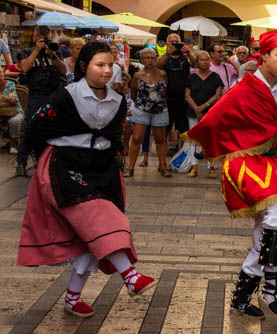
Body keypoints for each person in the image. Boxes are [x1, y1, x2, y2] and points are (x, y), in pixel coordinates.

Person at [17, 41, 156, 319]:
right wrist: (41, 163)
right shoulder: (65, 96)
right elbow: (34, 129)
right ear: (84, 66)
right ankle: (130, 276)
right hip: (66, 168)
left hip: (102, 169)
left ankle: (72, 298)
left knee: (90, 239)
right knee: (102, 219)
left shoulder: (118, 101)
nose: (106, 71)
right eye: (99, 65)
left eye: (110, 65)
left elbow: (115, 137)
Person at [185, 30, 277, 320]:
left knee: (262, 234)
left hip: (270, 161)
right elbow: (216, 116)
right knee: (276, 211)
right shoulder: (245, 86)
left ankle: (240, 298)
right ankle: (272, 282)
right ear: (263, 57)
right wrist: (206, 143)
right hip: (244, 162)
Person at [16, 26, 66, 177]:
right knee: (31, 128)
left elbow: (64, 70)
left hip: (53, 95)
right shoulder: (27, 52)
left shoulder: (54, 51)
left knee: (50, 129)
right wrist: (36, 51)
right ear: (35, 37)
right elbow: (24, 67)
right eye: (41, 36)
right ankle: (21, 162)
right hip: (36, 95)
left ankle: (43, 162)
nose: (44, 39)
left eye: (47, 36)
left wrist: (53, 56)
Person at [125, 48, 171, 177]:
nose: (150, 60)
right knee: (137, 138)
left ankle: (163, 166)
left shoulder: (162, 74)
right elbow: (133, 93)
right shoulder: (137, 75)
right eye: (147, 58)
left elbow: (165, 91)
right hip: (142, 109)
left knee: (160, 139)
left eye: (152, 57)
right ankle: (130, 167)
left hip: (160, 109)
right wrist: (141, 103)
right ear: (142, 60)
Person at [184, 51, 224, 178]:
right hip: (193, 112)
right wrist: (196, 109)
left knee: (210, 139)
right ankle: (194, 167)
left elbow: (218, 95)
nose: (205, 62)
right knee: (193, 139)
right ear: (197, 62)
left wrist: (204, 106)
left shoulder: (216, 77)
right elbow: (187, 96)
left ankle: (211, 166)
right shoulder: (191, 77)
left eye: (207, 59)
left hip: (210, 112)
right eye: (202, 60)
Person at [156, 34, 195, 155]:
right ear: (167, 43)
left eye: (176, 41)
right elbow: (157, 65)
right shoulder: (165, 57)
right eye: (171, 41)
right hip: (167, 99)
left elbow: (195, 64)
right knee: (165, 128)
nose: (174, 43)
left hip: (183, 99)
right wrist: (168, 53)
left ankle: (181, 154)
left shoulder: (185, 57)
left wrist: (188, 52)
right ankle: (164, 154)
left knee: (183, 129)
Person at [0, 66, 24, 154]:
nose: (0, 75)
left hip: (15, 111)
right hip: (1, 112)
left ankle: (13, 144)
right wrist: (6, 99)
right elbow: (9, 100)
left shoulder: (10, 84)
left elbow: (13, 101)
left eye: (1, 72)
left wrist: (4, 102)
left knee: (15, 121)